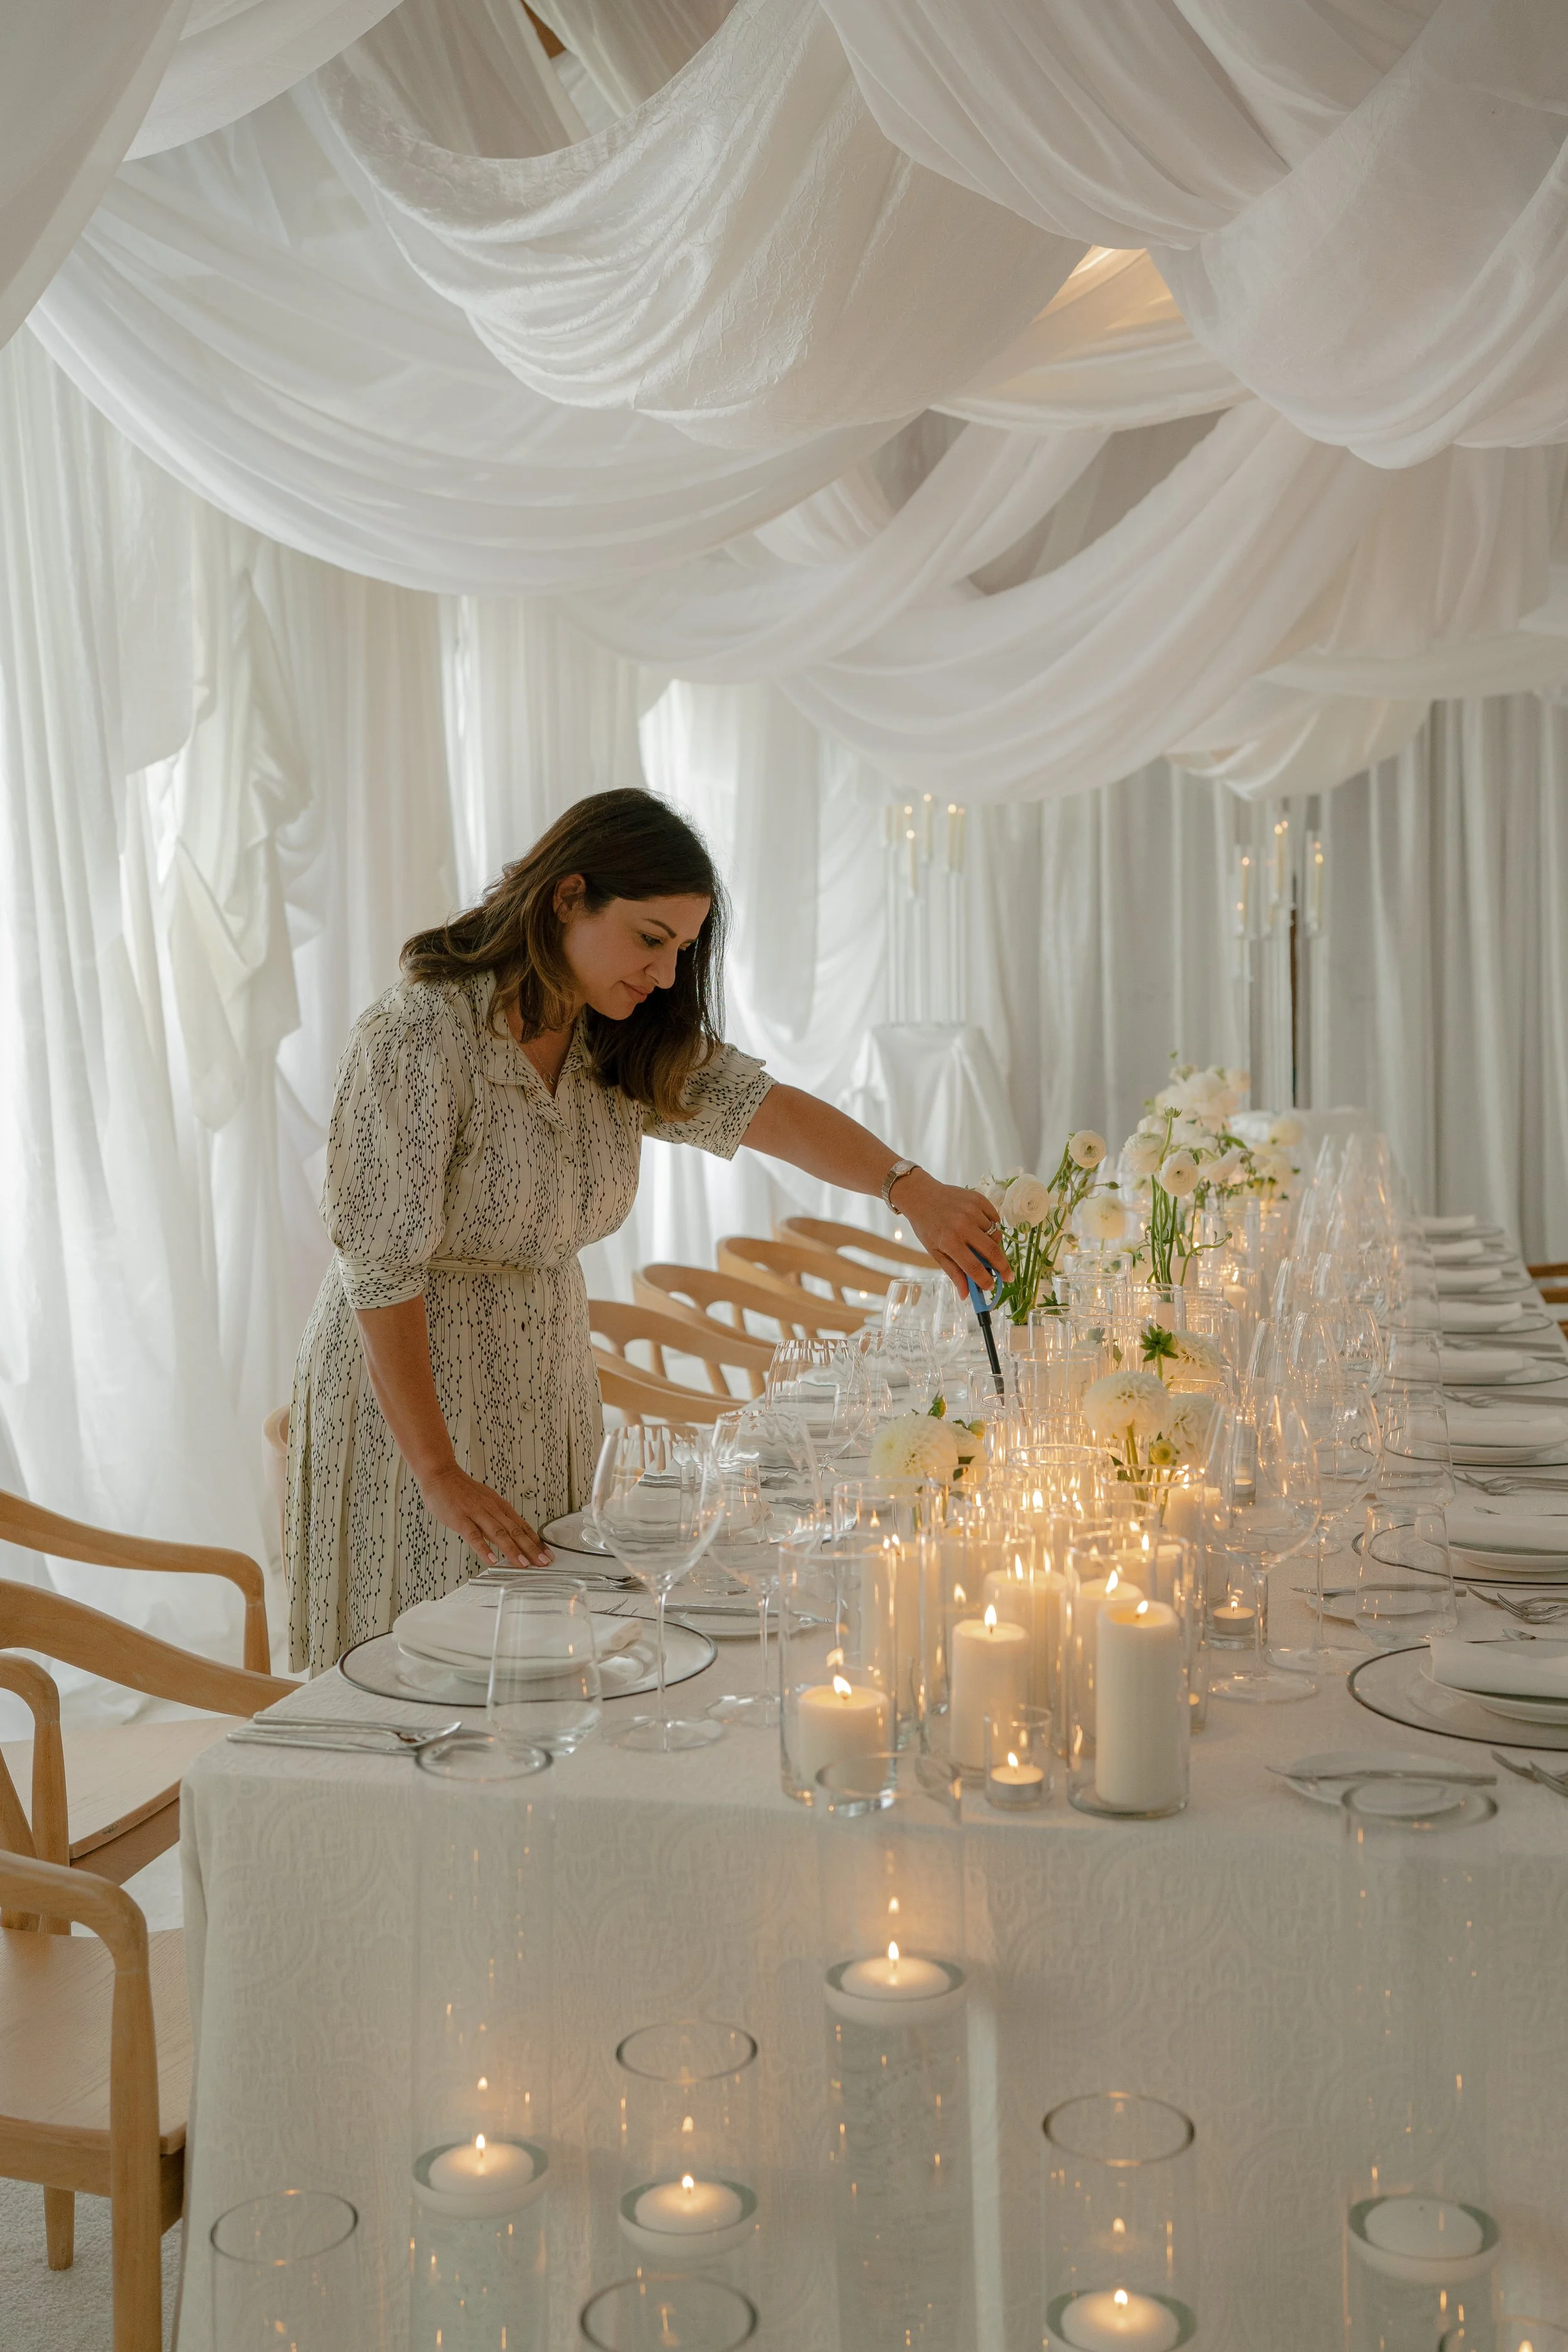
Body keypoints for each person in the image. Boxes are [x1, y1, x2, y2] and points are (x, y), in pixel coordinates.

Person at [285, 788, 1007, 1672]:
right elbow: (382, 1270)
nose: (666, 976)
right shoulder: (418, 1037)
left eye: (683, 951)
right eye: (650, 940)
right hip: (412, 1399)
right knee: (416, 1678)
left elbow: (764, 1110)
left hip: (545, 1384)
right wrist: (437, 1471)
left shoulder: (616, 1039)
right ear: (566, 897)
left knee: (545, 1667)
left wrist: (908, 1186)